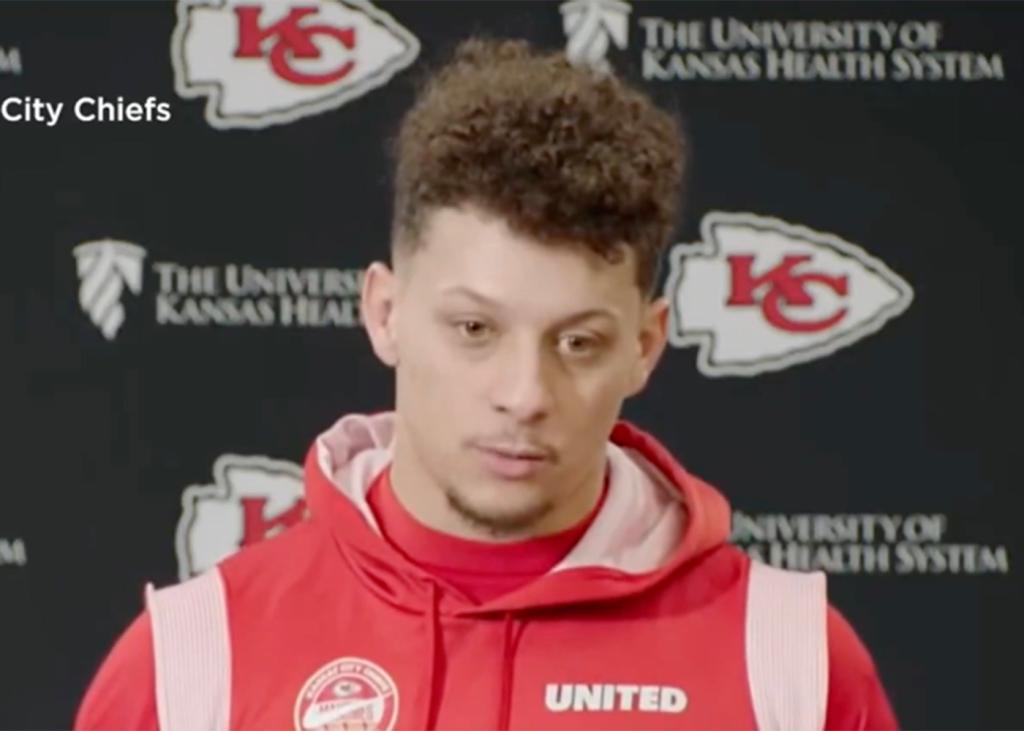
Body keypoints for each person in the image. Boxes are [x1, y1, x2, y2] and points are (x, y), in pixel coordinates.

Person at [75, 37, 898, 731]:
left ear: (645, 347)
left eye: (577, 341)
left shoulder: (791, 664)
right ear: (386, 312)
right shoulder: (193, 660)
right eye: (474, 329)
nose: (524, 392)